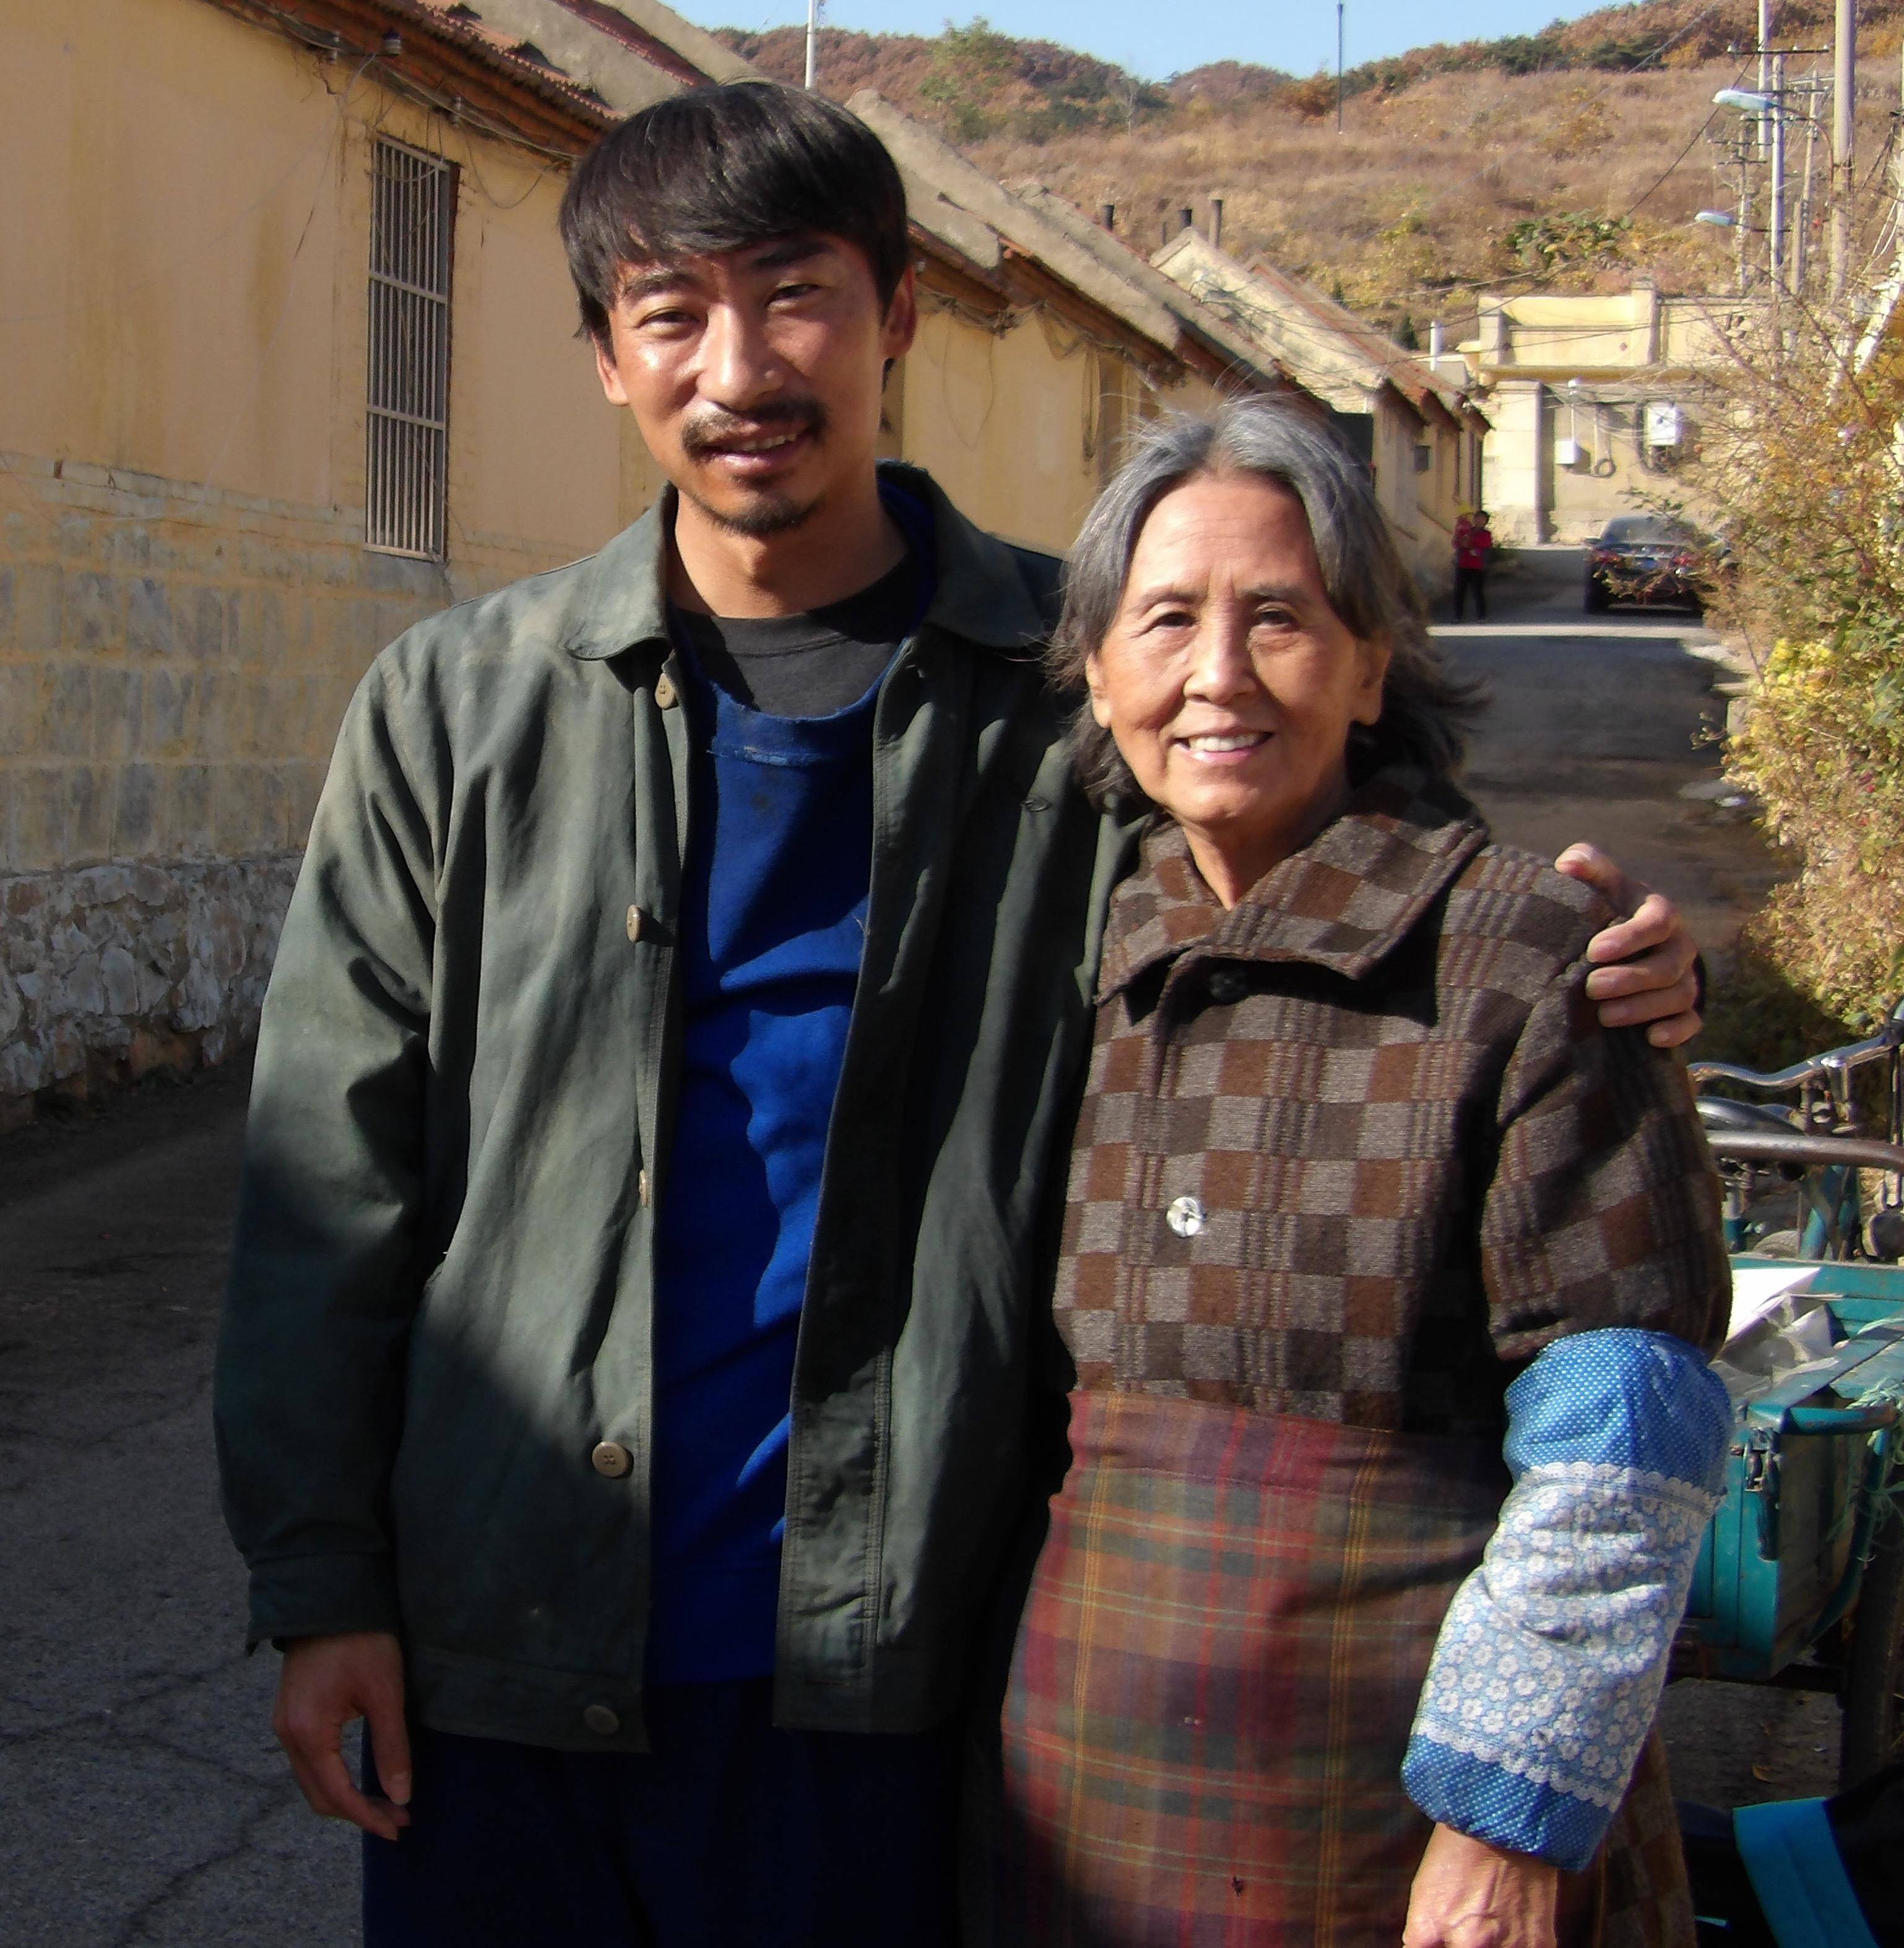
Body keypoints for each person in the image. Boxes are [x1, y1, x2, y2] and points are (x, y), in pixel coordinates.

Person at [214, 84, 1708, 1947]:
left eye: (796, 293)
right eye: (670, 312)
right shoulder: (454, 712)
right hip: (501, 1643)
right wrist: (322, 1585)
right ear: (605, 357)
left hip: (910, 1663)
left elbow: (1340, 880)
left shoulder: (1077, 691)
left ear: (898, 310)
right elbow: (320, 1191)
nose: (741, 363)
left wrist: (1590, 945)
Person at [992, 400, 1732, 1948]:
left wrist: (1509, 1807)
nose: (1215, 675)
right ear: (1098, 671)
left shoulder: (1520, 956)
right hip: (1088, 1790)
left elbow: (1624, 1417)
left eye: (1280, 617)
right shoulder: (1087, 949)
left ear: (1373, 660)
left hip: (1404, 1798)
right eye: (1165, 621)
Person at [1453, 508, 1494, 621]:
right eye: (1478, 518)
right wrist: (1463, 542)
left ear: (1486, 522)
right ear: (1475, 519)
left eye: (1483, 519)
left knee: (1478, 592)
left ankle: (1481, 616)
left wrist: (1470, 544)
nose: (1480, 521)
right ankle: (1458, 616)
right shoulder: (1466, 531)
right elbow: (1457, 543)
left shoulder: (1486, 534)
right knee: (1460, 592)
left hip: (1478, 567)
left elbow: (1484, 546)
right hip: (1463, 564)